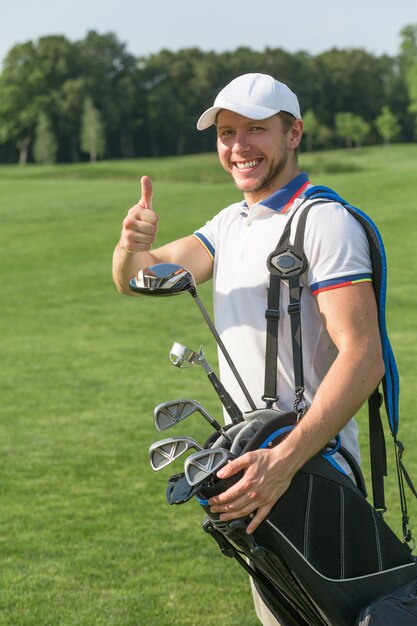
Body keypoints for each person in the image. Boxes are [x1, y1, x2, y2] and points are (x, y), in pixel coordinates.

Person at [112, 73, 385, 626]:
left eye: (256, 129)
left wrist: (283, 462)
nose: (238, 146)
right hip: (255, 467)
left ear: (294, 133)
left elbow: (363, 357)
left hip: (311, 468)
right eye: (227, 132)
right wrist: (129, 245)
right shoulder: (231, 224)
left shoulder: (323, 222)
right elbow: (138, 278)